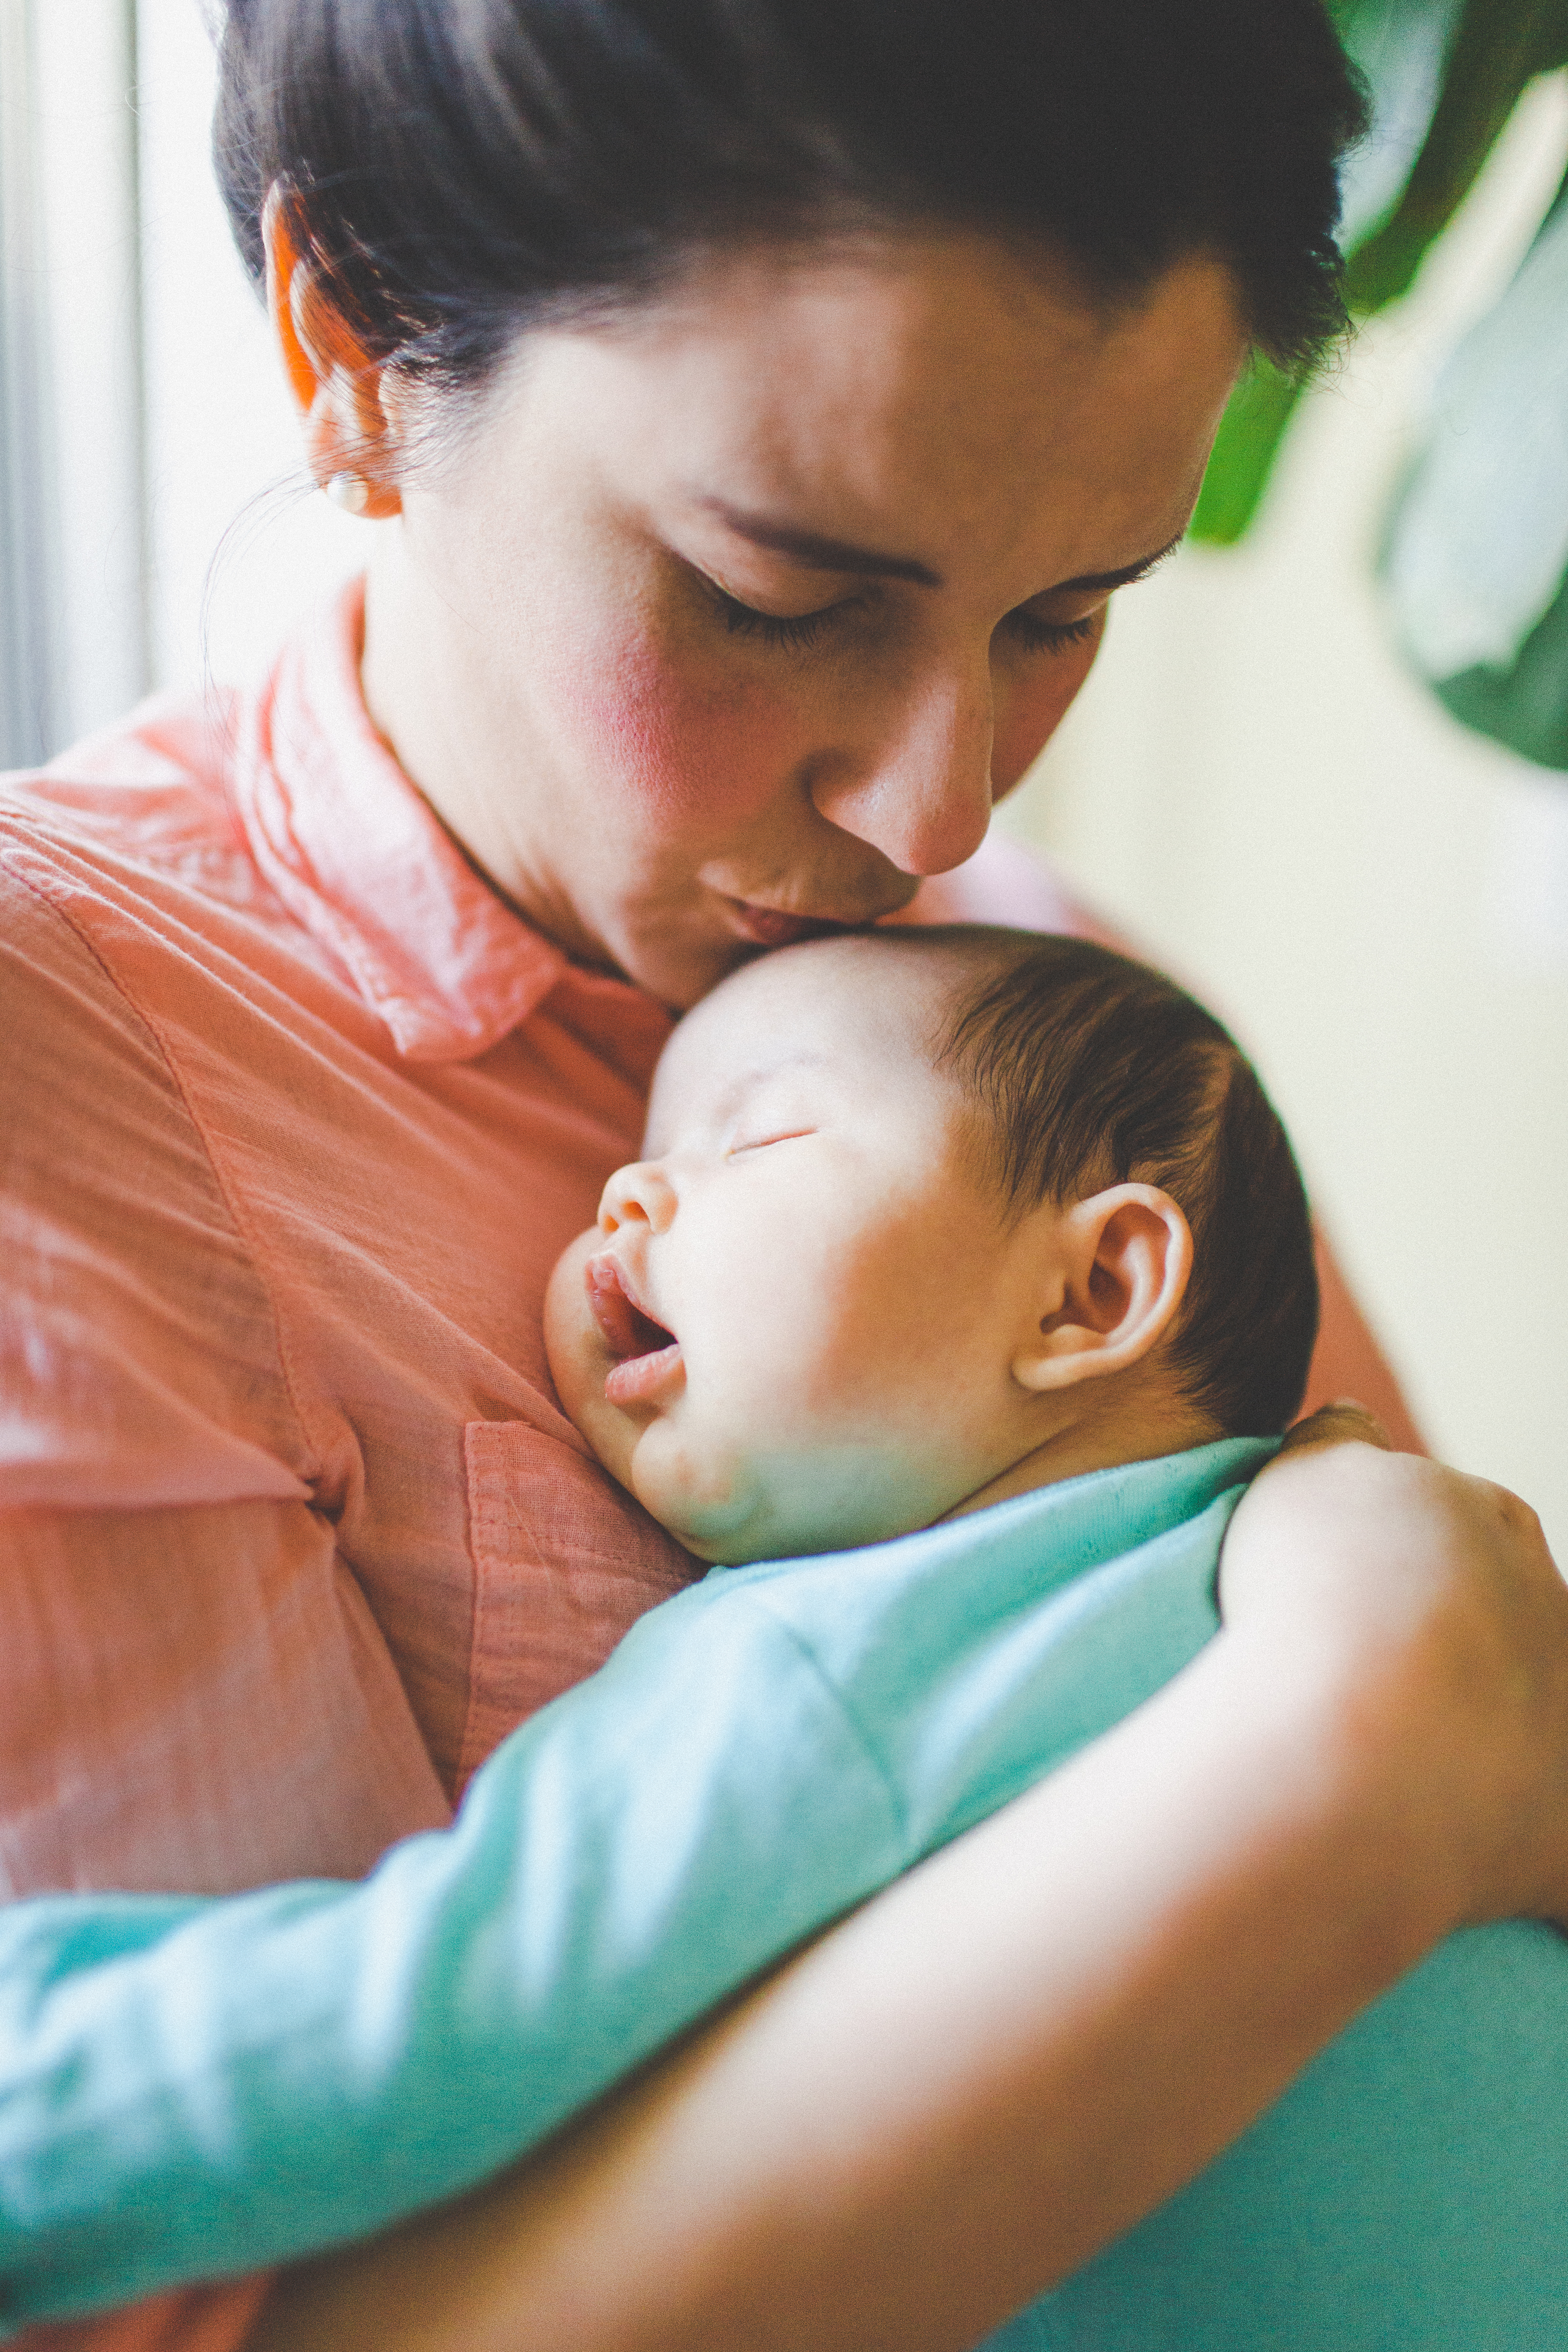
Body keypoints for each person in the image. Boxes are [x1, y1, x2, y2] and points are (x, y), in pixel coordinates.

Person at [4, 5, 1568, 2348]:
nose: (938, 813)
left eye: (1070, 612)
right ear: (341, 340)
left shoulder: (1062, 1008)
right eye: (777, 594)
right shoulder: (71, 1069)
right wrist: (1354, 1769)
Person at [5, 931, 1564, 2352]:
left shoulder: (846, 1656)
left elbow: (422, 2024)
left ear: (1093, 1289)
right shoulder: (1325, 1564)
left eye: (755, 1136)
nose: (627, 1196)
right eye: (639, 1151)